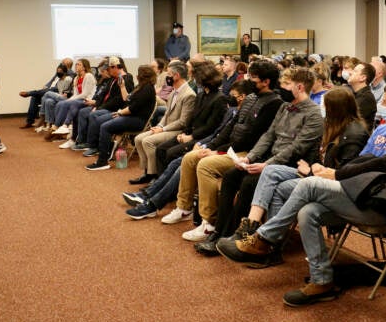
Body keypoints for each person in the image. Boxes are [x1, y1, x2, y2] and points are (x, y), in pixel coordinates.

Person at [216, 81, 386, 306]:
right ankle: (322, 280)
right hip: (357, 191)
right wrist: (332, 173)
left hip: (381, 203)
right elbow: (363, 161)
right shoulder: (385, 128)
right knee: (308, 211)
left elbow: (385, 163)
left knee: (309, 185)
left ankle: (264, 238)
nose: (382, 106)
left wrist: (335, 174)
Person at [223, 87, 370, 264]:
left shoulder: (354, 133)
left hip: (330, 184)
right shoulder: (332, 125)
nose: (322, 110)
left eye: (326, 106)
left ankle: (268, 244)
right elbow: (318, 156)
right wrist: (310, 166)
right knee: (271, 171)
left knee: (276, 186)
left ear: (336, 109)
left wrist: (311, 169)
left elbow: (344, 173)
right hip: (313, 173)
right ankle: (253, 230)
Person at [192, 68, 324, 255]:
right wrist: (250, 157)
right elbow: (268, 136)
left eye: (286, 84)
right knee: (231, 176)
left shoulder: (313, 115)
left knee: (248, 183)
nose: (281, 87)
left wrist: (266, 165)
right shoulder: (284, 107)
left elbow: (296, 148)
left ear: (300, 87)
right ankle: (219, 233)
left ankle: (236, 236)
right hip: (271, 159)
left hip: (291, 165)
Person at [156, 61, 282, 236]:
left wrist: (217, 151)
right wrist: (210, 145)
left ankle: (209, 222)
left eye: (253, 77)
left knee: (205, 165)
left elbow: (252, 137)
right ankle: (184, 208)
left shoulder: (274, 103)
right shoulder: (251, 98)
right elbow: (231, 126)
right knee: (191, 157)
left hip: (247, 153)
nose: (248, 80)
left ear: (266, 81)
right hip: (231, 148)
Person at [124, 80, 253, 220]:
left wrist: (210, 148)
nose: (230, 97)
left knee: (182, 163)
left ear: (243, 97)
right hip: (213, 145)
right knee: (177, 161)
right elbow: (218, 133)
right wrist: (206, 145)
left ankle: (153, 204)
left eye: (233, 95)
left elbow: (233, 140)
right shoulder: (232, 111)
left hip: (230, 152)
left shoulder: (245, 113)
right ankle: (149, 195)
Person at [154, 62, 228, 174]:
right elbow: (191, 119)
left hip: (202, 137)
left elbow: (211, 126)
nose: (195, 80)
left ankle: (169, 188)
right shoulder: (201, 95)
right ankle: (159, 181)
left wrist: (191, 136)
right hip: (191, 133)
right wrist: (184, 133)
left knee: (171, 152)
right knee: (161, 149)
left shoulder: (219, 99)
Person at [130, 61, 196, 183]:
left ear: (176, 75)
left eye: (169, 74)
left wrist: (163, 129)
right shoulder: (173, 92)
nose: (167, 77)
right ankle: (147, 172)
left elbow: (183, 122)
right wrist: (159, 125)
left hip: (177, 130)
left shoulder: (189, 95)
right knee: (138, 139)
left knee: (148, 141)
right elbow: (166, 114)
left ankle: (154, 174)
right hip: (166, 127)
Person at [85, 65, 157, 171]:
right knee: (104, 123)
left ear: (141, 76)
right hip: (131, 117)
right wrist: (122, 87)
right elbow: (127, 99)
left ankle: (102, 161)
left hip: (138, 121)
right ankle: (107, 151)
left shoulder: (147, 89)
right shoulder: (141, 87)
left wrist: (120, 113)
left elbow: (132, 108)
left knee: (105, 127)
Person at [72, 57, 134, 153]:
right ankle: (82, 140)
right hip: (105, 106)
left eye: (109, 69)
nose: (108, 72)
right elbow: (102, 95)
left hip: (116, 109)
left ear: (116, 67)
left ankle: (93, 145)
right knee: (83, 112)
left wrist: (98, 108)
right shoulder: (112, 79)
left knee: (93, 115)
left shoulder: (127, 78)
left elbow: (119, 101)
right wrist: (96, 105)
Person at [42, 58, 96, 139]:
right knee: (60, 103)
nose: (76, 66)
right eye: (76, 64)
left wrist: (71, 100)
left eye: (79, 64)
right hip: (79, 99)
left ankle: (56, 127)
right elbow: (76, 94)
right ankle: (59, 129)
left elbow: (85, 94)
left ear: (84, 67)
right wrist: (70, 99)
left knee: (64, 103)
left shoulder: (89, 76)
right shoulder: (77, 78)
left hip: (87, 99)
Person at [19, 57, 74, 128]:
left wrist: (49, 88)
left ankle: (30, 93)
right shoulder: (58, 71)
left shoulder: (70, 73)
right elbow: (52, 80)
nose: (60, 64)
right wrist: (46, 85)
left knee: (47, 93)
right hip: (50, 89)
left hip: (57, 91)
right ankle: (30, 121)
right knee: (34, 97)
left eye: (62, 63)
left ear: (67, 65)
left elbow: (64, 86)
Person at [345, 61, 377, 128]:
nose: (350, 72)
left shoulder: (366, 98)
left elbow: (347, 119)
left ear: (363, 78)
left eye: (355, 71)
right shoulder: (354, 93)